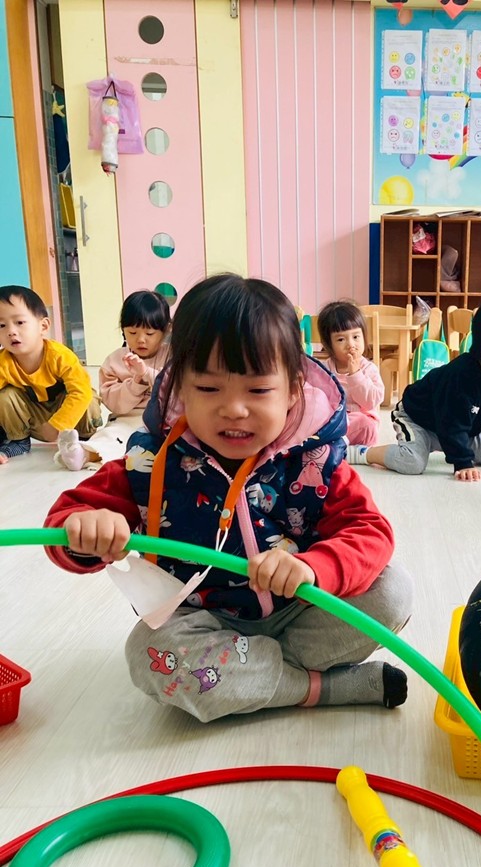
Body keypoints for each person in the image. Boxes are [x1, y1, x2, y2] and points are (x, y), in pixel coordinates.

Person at [45, 274, 413, 721]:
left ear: (293, 389)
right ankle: (317, 686)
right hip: (204, 623)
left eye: (258, 390)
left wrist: (315, 568)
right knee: (149, 654)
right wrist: (84, 528)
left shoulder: (316, 459)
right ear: (180, 387)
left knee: (392, 591)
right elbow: (68, 516)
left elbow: (370, 532)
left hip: (300, 612)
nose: (234, 409)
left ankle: (254, 677)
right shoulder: (149, 460)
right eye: (208, 388)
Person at [346, 293, 481, 482]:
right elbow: (451, 422)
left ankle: (451, 443)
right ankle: (363, 453)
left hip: (455, 424)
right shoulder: (460, 379)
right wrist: (462, 463)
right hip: (419, 419)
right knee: (412, 463)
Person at [56, 290, 172, 471]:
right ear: (123, 330)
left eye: (149, 333)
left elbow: (177, 390)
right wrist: (136, 382)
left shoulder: (173, 355)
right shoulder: (114, 361)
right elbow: (114, 403)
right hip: (127, 420)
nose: (141, 340)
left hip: (164, 420)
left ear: (166, 330)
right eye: (132, 332)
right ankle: (80, 454)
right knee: (112, 438)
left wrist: (146, 373)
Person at [0, 285, 101, 465]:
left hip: (71, 421)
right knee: (6, 396)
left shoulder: (59, 356)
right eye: (1, 325)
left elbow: (81, 391)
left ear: (43, 326)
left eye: (20, 322)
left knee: (88, 396)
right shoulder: (3, 362)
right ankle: (19, 441)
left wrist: (59, 424)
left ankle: (86, 439)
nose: (11, 331)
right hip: (37, 420)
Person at [316, 300, 384, 446]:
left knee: (366, 424)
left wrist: (356, 374)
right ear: (328, 344)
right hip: (334, 422)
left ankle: (337, 446)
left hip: (360, 425)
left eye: (356, 337)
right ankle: (333, 445)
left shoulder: (369, 369)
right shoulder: (324, 369)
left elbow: (371, 401)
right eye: (341, 339)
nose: (351, 345)